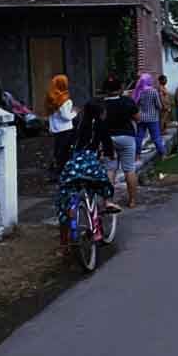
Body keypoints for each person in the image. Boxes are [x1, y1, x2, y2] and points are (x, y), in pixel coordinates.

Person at [55, 99, 117, 254]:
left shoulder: (77, 124)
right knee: (104, 184)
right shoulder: (99, 125)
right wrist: (110, 154)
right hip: (90, 166)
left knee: (64, 202)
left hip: (72, 167)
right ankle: (107, 203)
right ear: (100, 113)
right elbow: (107, 144)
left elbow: (65, 147)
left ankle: (64, 245)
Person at [104, 77, 141, 208]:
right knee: (129, 169)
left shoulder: (102, 104)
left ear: (106, 90)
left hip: (108, 139)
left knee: (110, 170)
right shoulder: (127, 101)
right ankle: (132, 201)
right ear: (120, 88)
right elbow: (138, 118)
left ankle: (108, 201)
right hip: (126, 137)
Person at [45, 74, 76, 179]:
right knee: (65, 152)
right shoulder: (65, 100)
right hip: (66, 129)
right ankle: (63, 173)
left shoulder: (50, 98)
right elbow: (66, 116)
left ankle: (56, 172)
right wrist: (75, 113)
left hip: (55, 129)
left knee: (57, 151)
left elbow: (50, 115)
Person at [132, 73, 165, 162]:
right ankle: (162, 154)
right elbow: (158, 105)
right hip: (153, 118)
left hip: (141, 118)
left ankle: (137, 155)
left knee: (139, 137)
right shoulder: (153, 91)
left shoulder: (139, 91)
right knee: (156, 137)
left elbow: (136, 104)